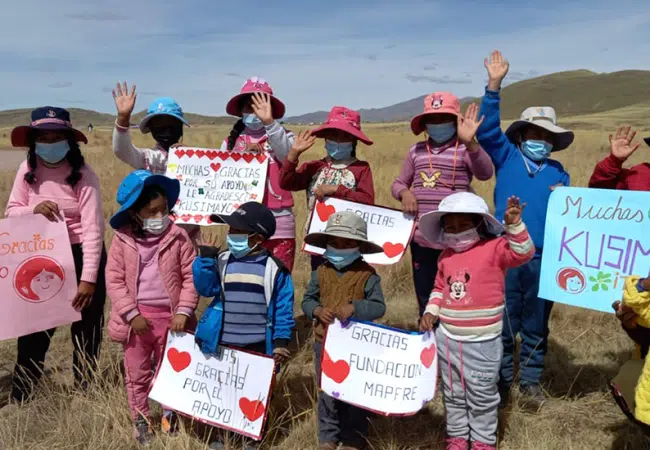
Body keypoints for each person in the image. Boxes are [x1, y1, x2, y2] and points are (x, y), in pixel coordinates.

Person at [477, 50, 574, 408]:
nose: (542, 139)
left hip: (545, 257)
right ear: (521, 135)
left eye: (548, 135)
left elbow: (572, 215)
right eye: (535, 132)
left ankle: (531, 381)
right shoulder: (507, 156)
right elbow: (487, 129)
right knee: (502, 321)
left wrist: (567, 196)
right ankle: (502, 382)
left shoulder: (558, 171)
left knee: (536, 322)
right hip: (505, 253)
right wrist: (494, 86)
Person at [5, 107, 107, 403]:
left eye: (57, 136)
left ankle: (85, 389)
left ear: (69, 140)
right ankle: (22, 393)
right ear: (34, 140)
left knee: (88, 327)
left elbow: (92, 231)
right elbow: (11, 212)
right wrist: (32, 210)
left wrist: (88, 279)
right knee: (36, 327)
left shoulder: (84, 175)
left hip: (80, 255)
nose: (50, 142)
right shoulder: (27, 171)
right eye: (44, 136)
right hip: (41, 255)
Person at [419, 192, 534, 450]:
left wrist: (514, 225)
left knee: (482, 396)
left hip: (482, 342)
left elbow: (524, 253)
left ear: (479, 224)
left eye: (463, 225)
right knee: (453, 394)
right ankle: (458, 438)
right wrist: (431, 311)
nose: (456, 231)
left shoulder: (495, 248)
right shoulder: (446, 256)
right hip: (447, 340)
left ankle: (482, 441)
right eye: (450, 227)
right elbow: (439, 288)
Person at [192, 202, 295, 450]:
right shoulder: (222, 260)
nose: (230, 235)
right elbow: (206, 289)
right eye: (230, 230)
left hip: (258, 346)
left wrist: (280, 343)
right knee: (223, 390)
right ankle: (221, 435)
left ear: (257, 238)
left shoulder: (275, 269)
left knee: (255, 393)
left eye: (237, 231)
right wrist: (205, 259)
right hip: (224, 342)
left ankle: (250, 438)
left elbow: (283, 309)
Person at [105, 170, 198, 445]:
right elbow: (114, 279)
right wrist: (132, 315)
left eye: (164, 210)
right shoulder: (122, 240)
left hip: (173, 322)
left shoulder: (179, 236)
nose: (160, 217)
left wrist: (183, 311)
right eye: (152, 211)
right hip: (137, 324)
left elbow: (191, 276)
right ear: (135, 213)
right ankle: (142, 421)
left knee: (170, 372)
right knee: (137, 375)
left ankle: (170, 417)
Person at [391, 93, 493, 318]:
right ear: (425, 124)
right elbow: (398, 183)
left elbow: (485, 173)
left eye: (443, 119)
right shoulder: (415, 151)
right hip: (422, 239)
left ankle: (456, 342)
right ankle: (429, 345)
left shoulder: (464, 149)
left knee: (458, 294)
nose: (437, 125)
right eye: (432, 120)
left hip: (458, 240)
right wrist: (405, 193)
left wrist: (471, 143)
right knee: (426, 298)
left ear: (456, 121)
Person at [302, 211, 386, 450]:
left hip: (356, 345)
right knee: (327, 390)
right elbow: (307, 300)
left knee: (354, 391)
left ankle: (353, 437)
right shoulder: (320, 272)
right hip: (324, 342)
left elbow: (379, 306)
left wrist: (356, 307)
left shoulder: (368, 275)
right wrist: (317, 311)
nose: (339, 248)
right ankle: (328, 436)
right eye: (335, 243)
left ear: (358, 246)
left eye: (347, 244)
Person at [279, 106, 376, 269]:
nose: (337, 140)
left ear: (353, 141)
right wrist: (293, 154)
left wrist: (337, 190)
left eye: (344, 136)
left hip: (350, 241)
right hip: (319, 238)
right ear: (325, 139)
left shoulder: (361, 168)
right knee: (320, 281)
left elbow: (367, 201)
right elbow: (286, 182)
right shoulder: (314, 167)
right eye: (333, 135)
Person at [111, 81, 201, 244]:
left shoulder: (195, 159)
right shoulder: (149, 158)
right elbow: (121, 150)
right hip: (156, 236)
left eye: (171, 125)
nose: (166, 131)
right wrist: (123, 118)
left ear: (180, 127)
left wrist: (191, 157)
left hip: (188, 237)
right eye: (159, 126)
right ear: (151, 130)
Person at [222, 77, 297, 272]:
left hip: (280, 224)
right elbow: (221, 178)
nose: (254, 112)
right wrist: (241, 158)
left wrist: (270, 123)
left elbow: (287, 155)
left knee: (279, 279)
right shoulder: (230, 143)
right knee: (247, 281)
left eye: (260, 106)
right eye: (249, 107)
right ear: (240, 111)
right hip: (243, 225)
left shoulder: (286, 136)